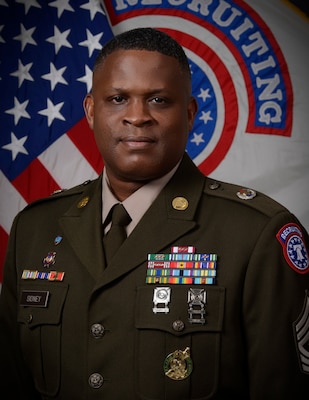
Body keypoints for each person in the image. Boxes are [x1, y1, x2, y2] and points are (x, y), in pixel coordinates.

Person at [0, 27, 308, 399]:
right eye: (117, 98)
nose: (137, 117)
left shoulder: (257, 234)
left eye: (159, 100)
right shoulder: (34, 227)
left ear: (190, 113)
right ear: (91, 111)